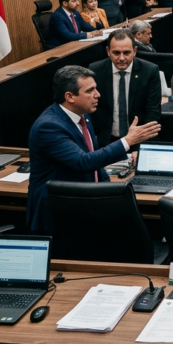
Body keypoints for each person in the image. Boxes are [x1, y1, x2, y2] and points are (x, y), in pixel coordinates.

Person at [27, 65, 160, 234]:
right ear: (69, 96)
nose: (97, 95)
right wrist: (127, 141)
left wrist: (109, 193)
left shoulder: (83, 116)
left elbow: (94, 159)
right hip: (57, 212)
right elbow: (83, 161)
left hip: (85, 205)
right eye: (90, 91)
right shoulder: (49, 126)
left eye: (95, 88)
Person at [87, 29, 161, 147]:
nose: (121, 58)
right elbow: (91, 109)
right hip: (106, 142)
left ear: (135, 51)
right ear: (108, 51)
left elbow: (153, 113)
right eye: (116, 53)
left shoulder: (150, 71)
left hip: (139, 140)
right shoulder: (95, 70)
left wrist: (142, 148)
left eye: (126, 53)